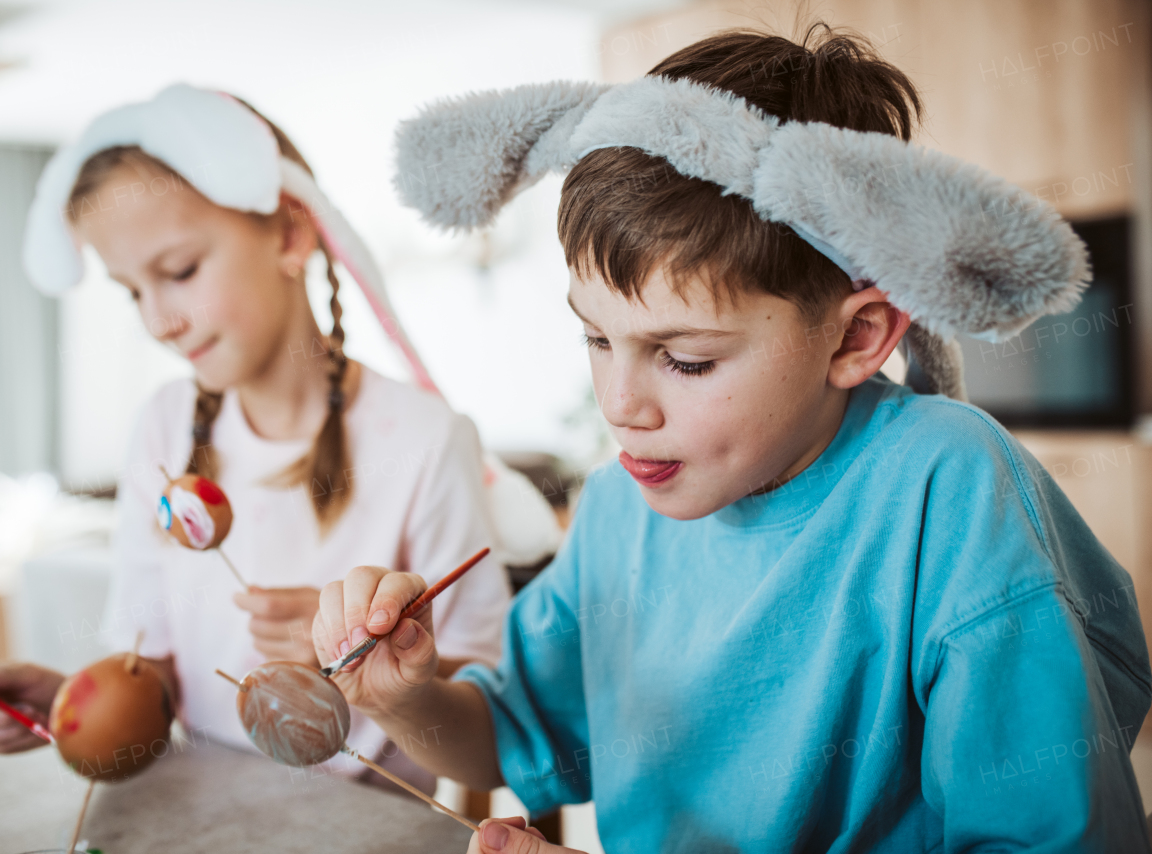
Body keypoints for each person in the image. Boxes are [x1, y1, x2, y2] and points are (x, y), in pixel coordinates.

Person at [314, 26, 1152, 852]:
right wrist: (400, 698)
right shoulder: (615, 509)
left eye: (684, 359)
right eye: (597, 340)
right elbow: (507, 737)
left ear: (858, 338)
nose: (619, 404)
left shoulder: (949, 492)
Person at [0, 84, 511, 792]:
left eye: (178, 272)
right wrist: (77, 708)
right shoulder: (162, 426)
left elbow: (487, 699)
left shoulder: (425, 438)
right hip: (208, 811)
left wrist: (379, 664)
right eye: (132, 290)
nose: (159, 320)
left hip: (372, 825)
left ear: (290, 235)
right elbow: (151, 666)